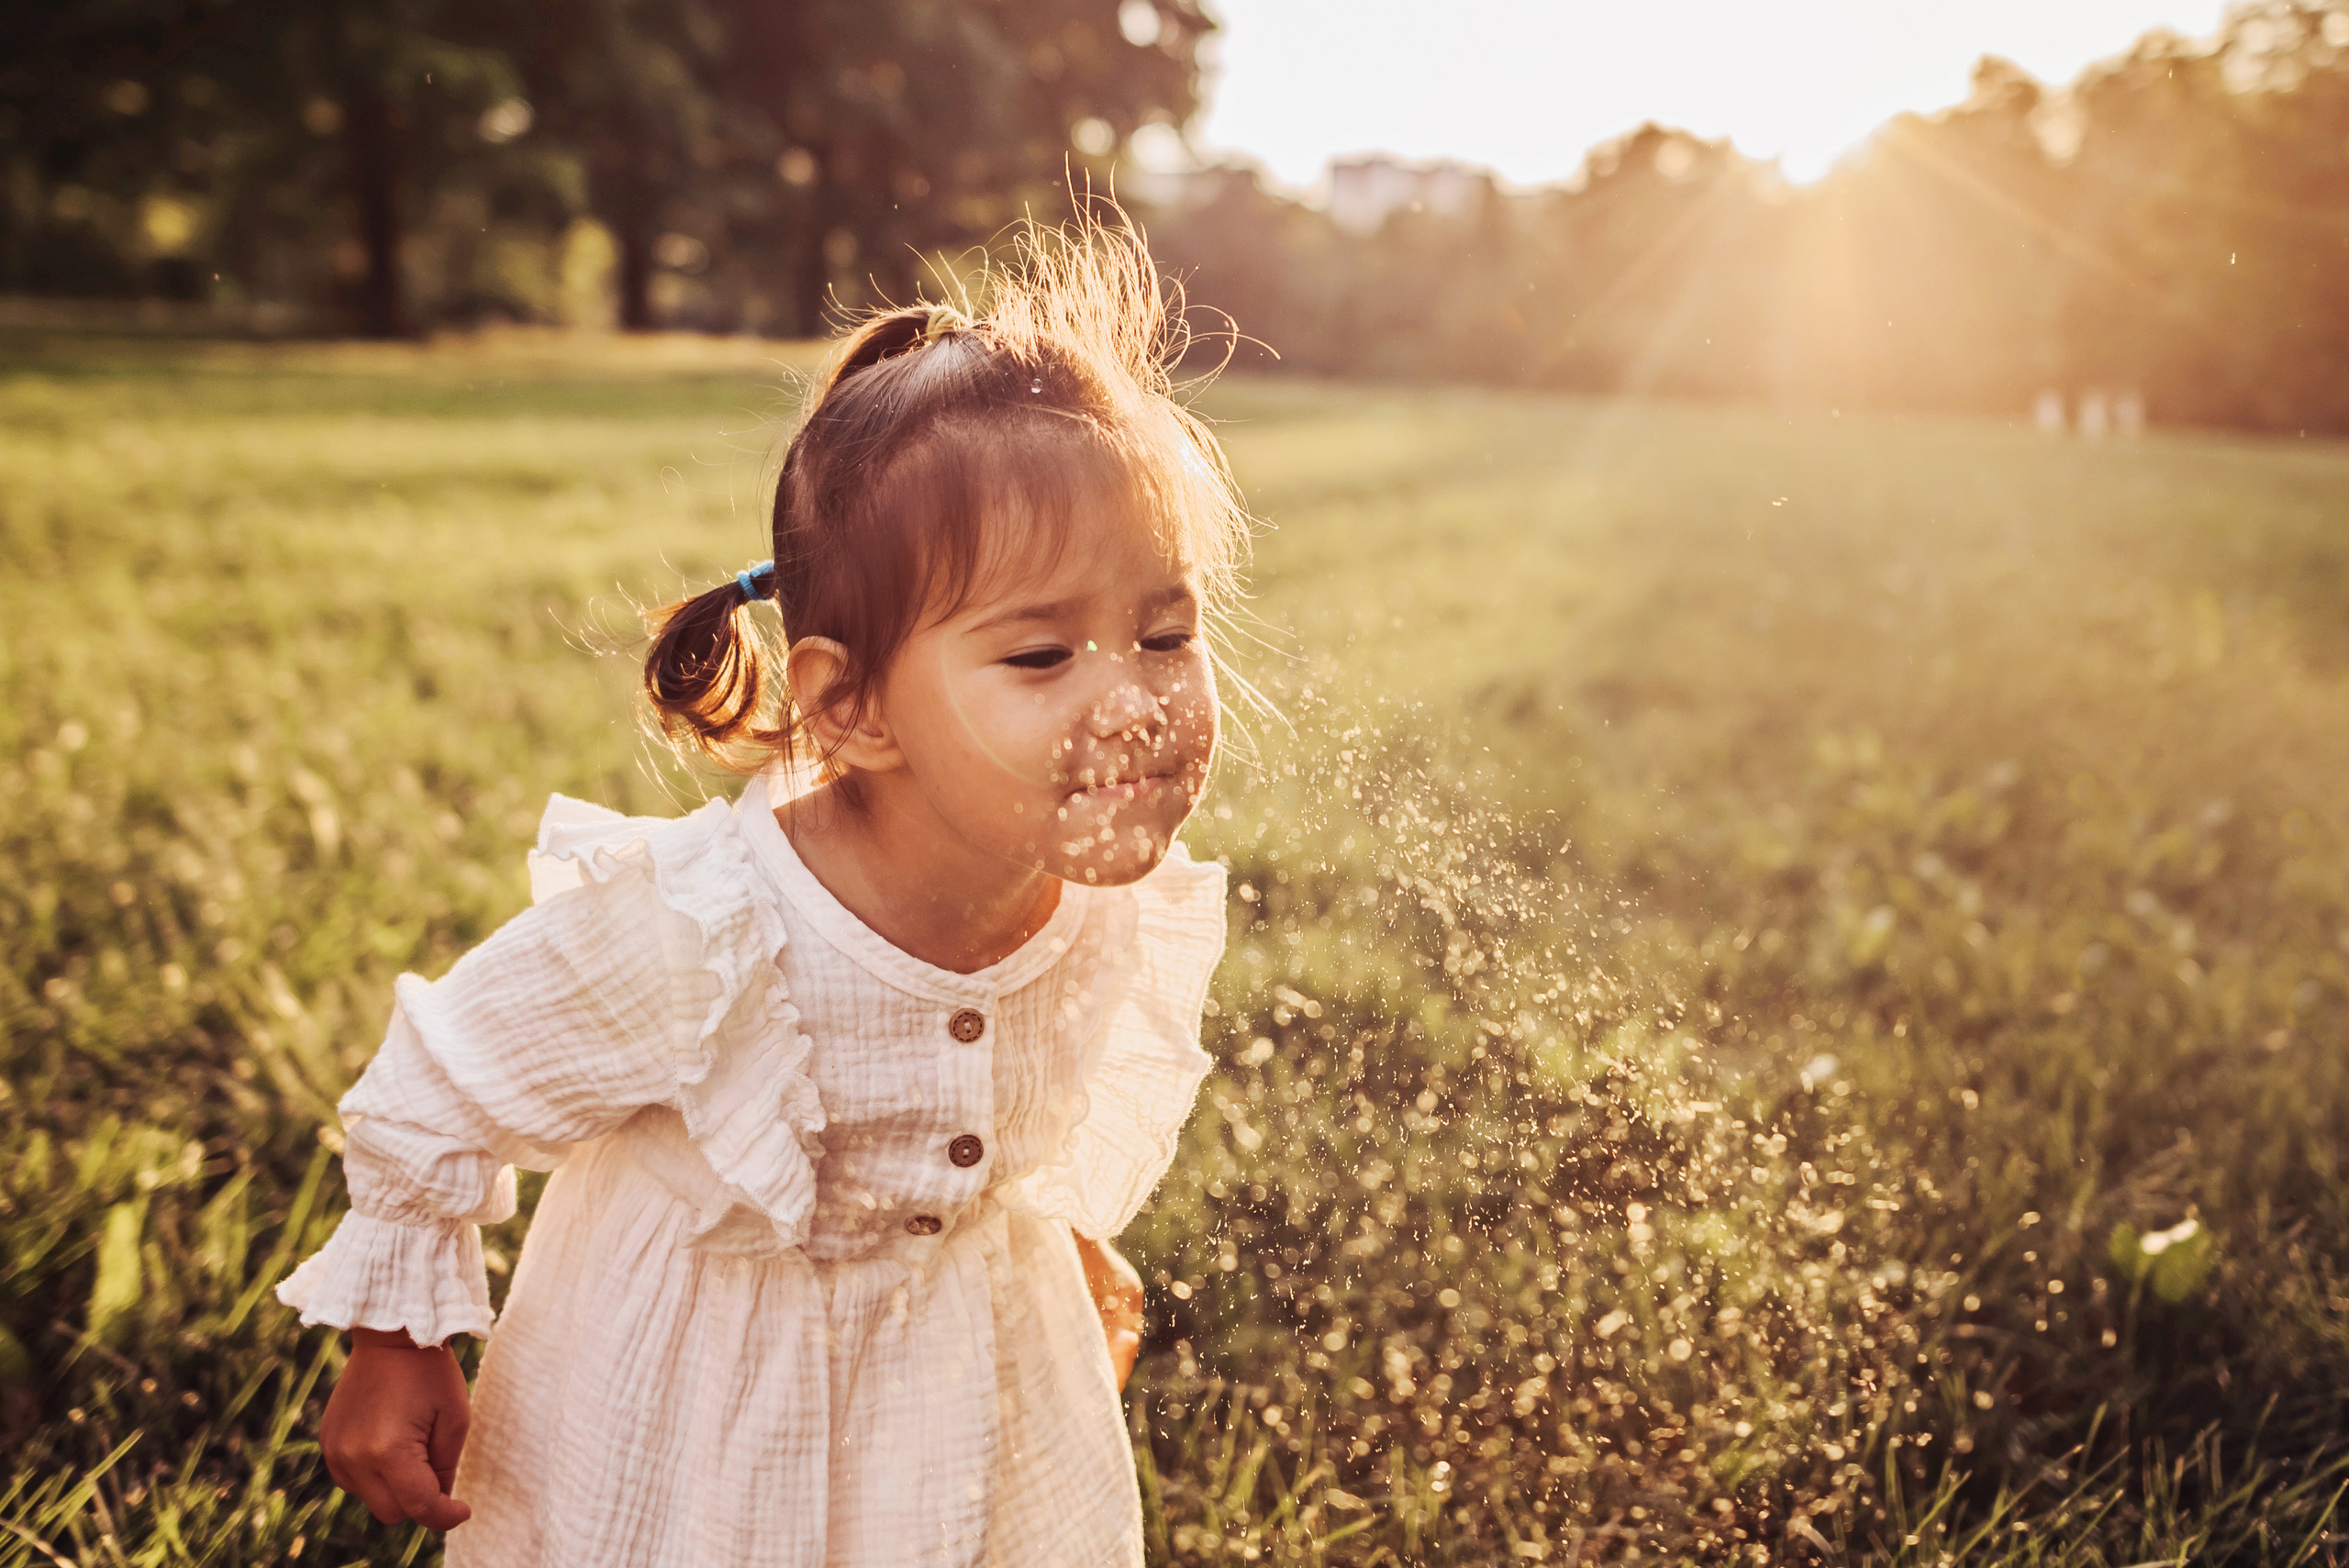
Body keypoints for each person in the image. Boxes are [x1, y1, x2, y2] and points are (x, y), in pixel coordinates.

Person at [276, 218, 1248, 1568]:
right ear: (850, 707)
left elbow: (1009, 1119)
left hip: (967, 1376)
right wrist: (394, 1343)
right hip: (698, 1407)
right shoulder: (708, 926)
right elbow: (445, 1075)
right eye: (1039, 655)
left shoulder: (1100, 905)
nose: (1135, 698)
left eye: (1166, 632)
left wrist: (1053, 1234)